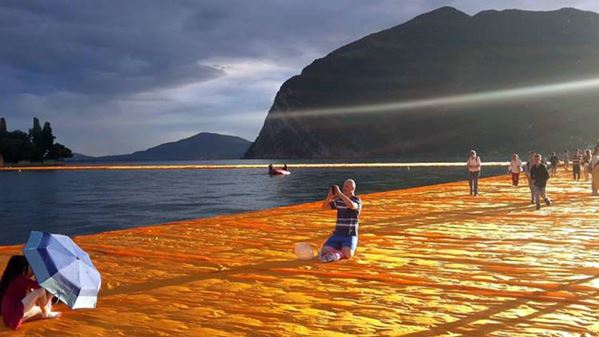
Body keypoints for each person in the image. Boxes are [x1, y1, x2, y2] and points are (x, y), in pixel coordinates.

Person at [0, 255, 60, 330]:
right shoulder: (21, 279)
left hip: (10, 318)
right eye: (30, 268)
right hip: (15, 314)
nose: (32, 270)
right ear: (24, 269)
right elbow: (40, 287)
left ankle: (46, 312)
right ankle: (47, 313)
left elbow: (34, 299)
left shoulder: (15, 280)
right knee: (40, 291)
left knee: (41, 308)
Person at [319, 179, 362, 263]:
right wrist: (329, 196)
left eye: (346, 186)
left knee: (348, 254)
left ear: (352, 188)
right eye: (343, 186)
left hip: (350, 234)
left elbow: (352, 206)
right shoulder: (339, 201)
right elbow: (325, 207)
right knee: (323, 251)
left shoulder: (357, 200)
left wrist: (340, 194)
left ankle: (337, 255)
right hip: (338, 233)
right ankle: (335, 253)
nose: (344, 188)